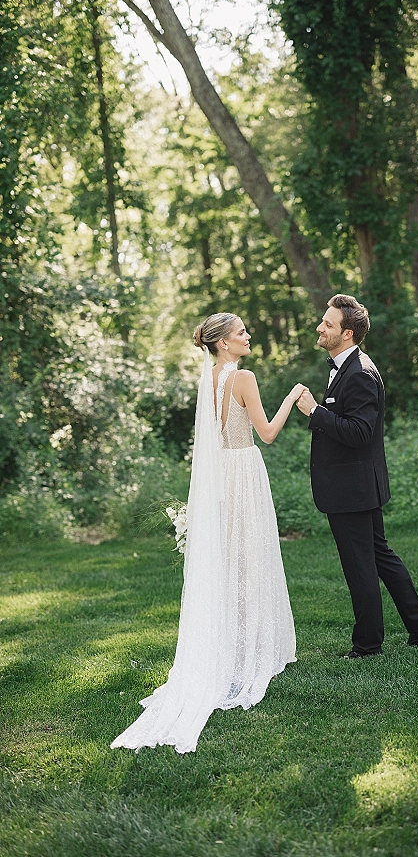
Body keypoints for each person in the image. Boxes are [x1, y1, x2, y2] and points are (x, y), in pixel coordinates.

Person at [111, 313, 304, 753]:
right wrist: (293, 396)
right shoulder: (244, 378)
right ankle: (250, 652)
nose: (248, 336)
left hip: (221, 479)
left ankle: (232, 649)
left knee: (231, 560)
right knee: (251, 558)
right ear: (221, 343)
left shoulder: (211, 379)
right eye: (240, 333)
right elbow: (268, 434)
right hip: (245, 473)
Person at [296, 294, 418, 658]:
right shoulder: (347, 366)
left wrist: (315, 411)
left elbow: (360, 433)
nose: (320, 327)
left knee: (360, 565)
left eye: (328, 324)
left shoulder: (359, 373)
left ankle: (368, 645)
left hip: (352, 488)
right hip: (357, 484)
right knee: (380, 557)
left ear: (346, 334)